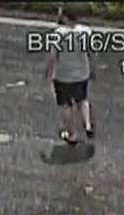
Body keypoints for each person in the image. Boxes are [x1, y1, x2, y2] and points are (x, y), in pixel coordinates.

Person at [45, 8, 95, 144]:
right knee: (82, 99)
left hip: (63, 75)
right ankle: (88, 124)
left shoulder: (58, 34)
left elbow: (52, 57)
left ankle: (72, 134)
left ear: (66, 18)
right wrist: (92, 68)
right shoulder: (86, 32)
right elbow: (90, 52)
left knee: (65, 105)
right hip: (82, 73)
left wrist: (48, 73)